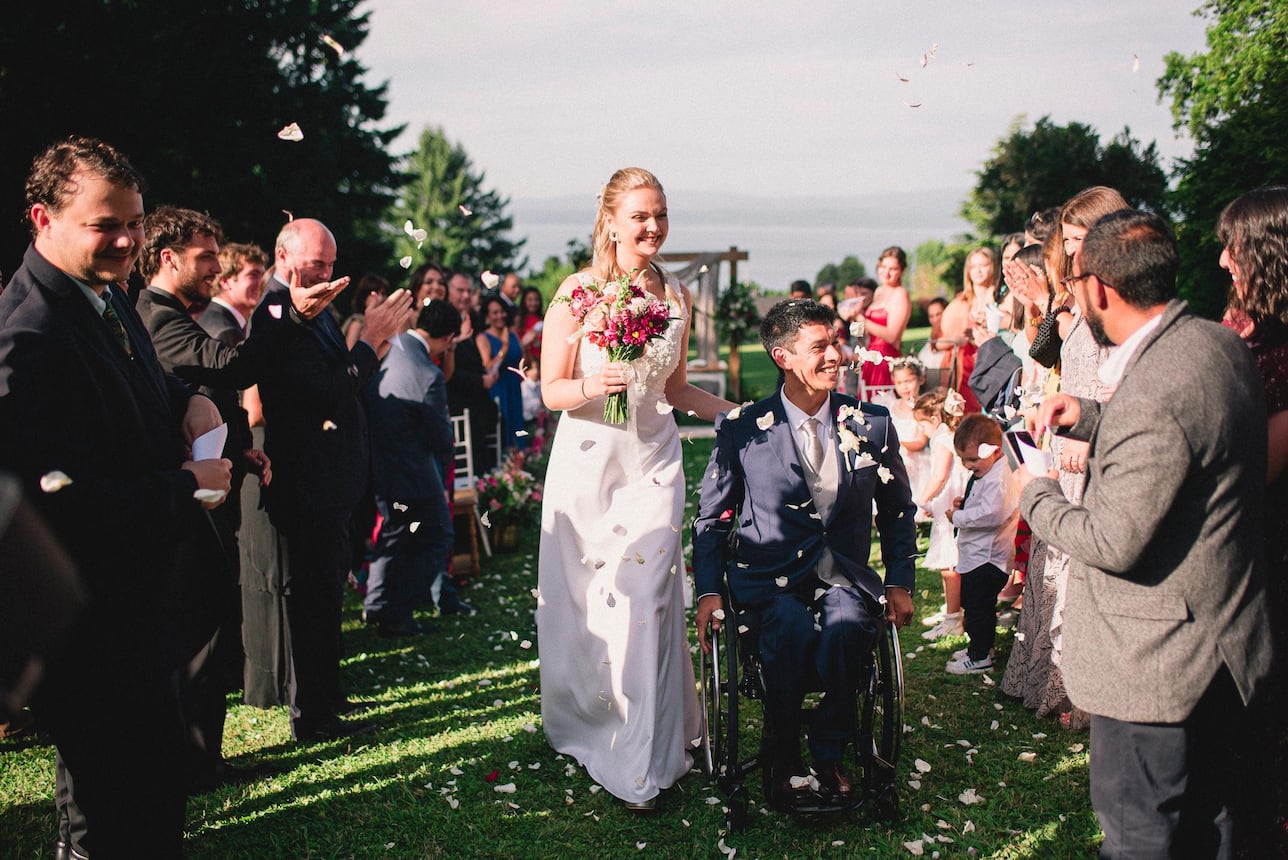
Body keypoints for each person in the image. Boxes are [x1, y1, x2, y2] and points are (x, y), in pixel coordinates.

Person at [1017, 209, 1274, 858]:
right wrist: (1095, 415)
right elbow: (1192, 435)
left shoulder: (1154, 388)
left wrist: (1034, 494)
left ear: (1098, 288)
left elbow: (1111, 541)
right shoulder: (1215, 343)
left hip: (1155, 669)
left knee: (1141, 837)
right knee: (1209, 826)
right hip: (1226, 643)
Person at [0, 136, 232, 857]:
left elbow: (143, 387)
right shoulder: (28, 333)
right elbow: (53, 505)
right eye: (106, 225)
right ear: (43, 219)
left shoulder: (105, 294)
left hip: (139, 608)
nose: (128, 239)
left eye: (133, 221)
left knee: (155, 800)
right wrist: (183, 486)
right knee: (109, 819)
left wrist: (187, 400)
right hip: (88, 628)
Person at [536, 167, 733, 811]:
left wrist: (737, 415)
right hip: (591, 462)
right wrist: (598, 385)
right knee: (597, 604)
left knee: (647, 594)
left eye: (662, 214)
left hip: (653, 461)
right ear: (612, 222)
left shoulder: (675, 291)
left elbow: (675, 391)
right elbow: (551, 390)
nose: (653, 227)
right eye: (641, 216)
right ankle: (600, 724)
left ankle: (648, 748)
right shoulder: (577, 291)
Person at [693, 298, 917, 808]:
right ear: (783, 357)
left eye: (835, 343)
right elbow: (711, 519)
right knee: (790, 630)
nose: (834, 355)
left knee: (845, 627)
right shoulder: (743, 428)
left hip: (844, 578)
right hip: (769, 581)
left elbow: (899, 511)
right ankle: (783, 756)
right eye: (819, 347)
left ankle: (828, 751)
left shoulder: (873, 423)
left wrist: (900, 580)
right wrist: (708, 591)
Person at [243, 217, 412, 741]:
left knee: (326, 594)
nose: (327, 273)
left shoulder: (314, 307)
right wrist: (373, 339)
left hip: (332, 477)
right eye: (317, 263)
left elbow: (347, 382)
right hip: (305, 480)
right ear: (283, 256)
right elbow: (325, 392)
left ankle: (326, 697)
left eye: (332, 263)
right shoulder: (276, 312)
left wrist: (375, 343)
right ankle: (311, 716)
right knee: (311, 598)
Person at [135, 205, 274, 793]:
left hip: (207, 480)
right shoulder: (155, 314)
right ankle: (192, 762)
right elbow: (229, 364)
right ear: (168, 257)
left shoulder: (170, 313)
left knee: (212, 619)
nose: (217, 266)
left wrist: (240, 447)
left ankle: (203, 759)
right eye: (206, 256)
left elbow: (201, 392)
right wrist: (283, 315)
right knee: (200, 627)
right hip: (179, 498)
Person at [1002, 187, 1127, 731]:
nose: (1072, 252)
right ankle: (1045, 681)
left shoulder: (1117, 291)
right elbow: (1044, 350)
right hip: (1063, 432)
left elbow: (1117, 373)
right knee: (1051, 563)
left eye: (1079, 241)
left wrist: (1087, 423)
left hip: (1092, 439)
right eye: (1067, 242)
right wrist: (1043, 304)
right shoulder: (1074, 289)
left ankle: (1081, 691)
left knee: (1078, 568)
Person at [1216, 186, 1288, 850]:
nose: (1220, 261)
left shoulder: (1279, 347)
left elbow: (1252, 471)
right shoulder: (1242, 328)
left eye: (1232, 247)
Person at [364, 299, 459, 637]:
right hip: (415, 471)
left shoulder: (390, 344)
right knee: (438, 536)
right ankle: (398, 613)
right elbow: (439, 434)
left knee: (393, 532)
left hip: (377, 462)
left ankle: (375, 604)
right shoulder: (429, 373)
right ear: (448, 338)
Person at [943, 415, 1018, 674]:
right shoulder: (988, 471)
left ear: (995, 451)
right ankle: (980, 646)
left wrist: (959, 517)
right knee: (972, 602)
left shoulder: (998, 478)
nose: (967, 465)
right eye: (964, 459)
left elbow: (993, 514)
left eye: (973, 460)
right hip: (976, 554)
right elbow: (983, 504)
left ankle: (980, 656)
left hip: (987, 558)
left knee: (979, 607)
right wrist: (964, 504)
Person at [914, 388, 967, 640]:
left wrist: (923, 499)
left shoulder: (942, 439)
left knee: (950, 565)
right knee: (953, 562)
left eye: (922, 425)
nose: (922, 431)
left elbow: (940, 475)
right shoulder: (950, 434)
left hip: (949, 503)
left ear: (934, 421)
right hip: (952, 500)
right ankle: (952, 610)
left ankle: (954, 619)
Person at [446, 270, 500, 475]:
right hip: (457, 406)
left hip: (479, 407)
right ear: (448, 291)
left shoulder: (473, 320)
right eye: (460, 291)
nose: (466, 296)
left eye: (469, 291)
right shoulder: (444, 320)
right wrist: (480, 380)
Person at [477, 294, 525, 451]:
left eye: (502, 311)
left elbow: (523, 358)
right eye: (495, 312)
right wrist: (504, 347)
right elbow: (489, 367)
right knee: (503, 429)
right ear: (487, 316)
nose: (500, 316)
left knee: (518, 427)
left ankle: (520, 463)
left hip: (515, 386)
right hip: (499, 388)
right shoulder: (483, 338)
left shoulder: (512, 333)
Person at [863, 247, 912, 388]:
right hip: (870, 357)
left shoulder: (900, 294)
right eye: (883, 267)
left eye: (893, 269)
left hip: (885, 358)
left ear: (901, 271)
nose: (886, 272)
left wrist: (862, 319)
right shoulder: (879, 291)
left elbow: (891, 336)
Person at [517, 286, 544, 365]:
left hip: (542, 361)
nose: (533, 303)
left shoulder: (544, 320)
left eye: (536, 300)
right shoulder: (518, 320)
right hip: (525, 362)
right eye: (530, 300)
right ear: (524, 301)